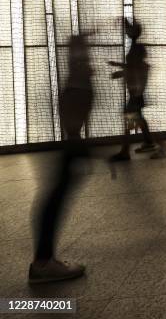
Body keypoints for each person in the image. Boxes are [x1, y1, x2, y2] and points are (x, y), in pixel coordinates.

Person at [29, 35, 92, 283]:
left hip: (72, 142)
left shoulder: (78, 79)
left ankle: (45, 260)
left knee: (57, 194)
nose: (89, 59)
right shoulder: (77, 81)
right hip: (71, 143)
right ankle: (43, 263)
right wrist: (76, 140)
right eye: (84, 53)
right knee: (56, 196)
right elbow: (70, 109)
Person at [109, 18, 166, 161]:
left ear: (134, 32)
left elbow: (137, 68)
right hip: (136, 91)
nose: (126, 32)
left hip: (136, 92)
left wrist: (121, 71)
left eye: (128, 29)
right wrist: (120, 67)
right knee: (138, 120)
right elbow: (135, 67)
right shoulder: (135, 46)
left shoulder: (136, 47)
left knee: (132, 120)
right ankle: (149, 143)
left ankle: (162, 147)